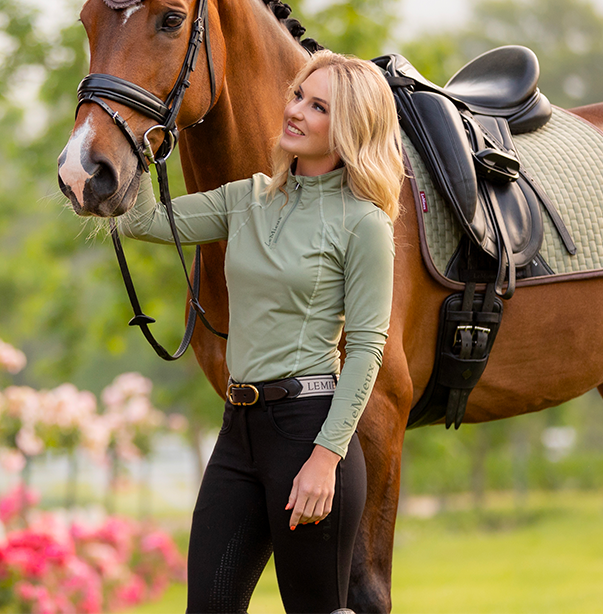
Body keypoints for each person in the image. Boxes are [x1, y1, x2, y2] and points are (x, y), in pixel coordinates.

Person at [120, 50, 405, 614]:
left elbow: (369, 346)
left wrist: (327, 457)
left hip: (309, 433)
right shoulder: (247, 197)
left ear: (349, 127)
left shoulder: (365, 222)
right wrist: (141, 138)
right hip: (239, 430)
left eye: (318, 106)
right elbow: (142, 220)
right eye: (298, 94)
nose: (295, 110)